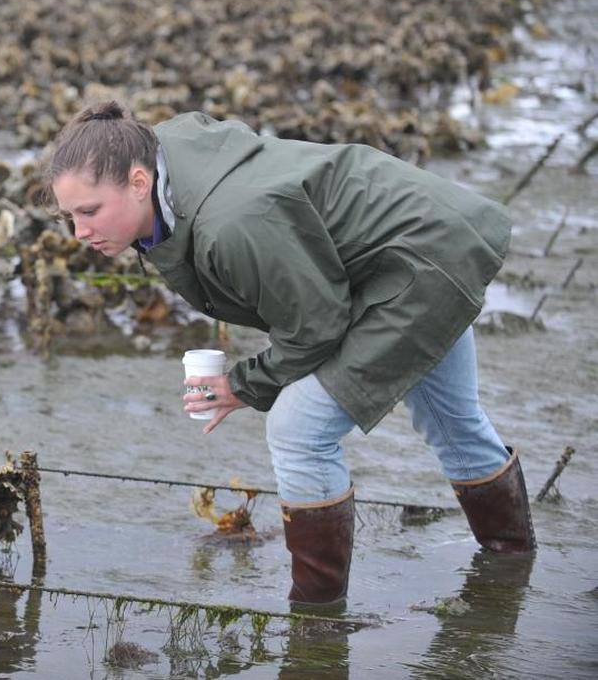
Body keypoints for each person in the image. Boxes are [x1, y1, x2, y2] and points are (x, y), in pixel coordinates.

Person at [43, 100, 536, 606]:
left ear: (139, 182)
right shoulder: (162, 154)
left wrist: (242, 384)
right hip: (424, 241)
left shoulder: (228, 222)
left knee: (298, 429)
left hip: (418, 266)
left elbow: (317, 325)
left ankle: (316, 625)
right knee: (452, 421)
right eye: (69, 217)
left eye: (90, 212)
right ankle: (511, 573)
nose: (80, 233)